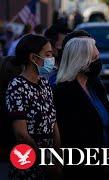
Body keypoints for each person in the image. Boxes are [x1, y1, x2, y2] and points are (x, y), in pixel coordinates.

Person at [54, 37, 109, 180]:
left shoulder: (95, 86)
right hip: (80, 168)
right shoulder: (63, 92)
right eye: (95, 58)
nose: (98, 62)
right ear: (81, 61)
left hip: (103, 165)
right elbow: (68, 135)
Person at [5, 34, 60, 179]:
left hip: (50, 159)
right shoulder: (17, 86)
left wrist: (57, 156)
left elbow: (53, 122)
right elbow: (21, 134)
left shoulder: (44, 83)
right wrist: (46, 162)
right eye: (48, 55)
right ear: (33, 58)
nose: (51, 59)